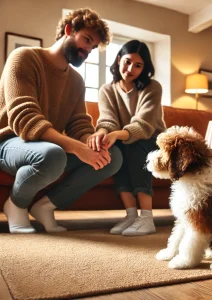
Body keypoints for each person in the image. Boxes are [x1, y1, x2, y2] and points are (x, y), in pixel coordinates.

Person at [0, 8, 122, 234]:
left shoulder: (76, 81)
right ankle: (16, 205)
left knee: (112, 157)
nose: (88, 50)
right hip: (9, 142)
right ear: (68, 30)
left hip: (46, 145)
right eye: (86, 39)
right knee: (53, 154)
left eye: (93, 47)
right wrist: (76, 147)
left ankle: (45, 206)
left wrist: (92, 141)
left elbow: (78, 124)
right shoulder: (24, 58)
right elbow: (24, 118)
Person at [87, 40, 166, 236]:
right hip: (123, 138)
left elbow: (144, 125)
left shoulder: (153, 87)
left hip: (152, 139)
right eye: (128, 62)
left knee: (134, 146)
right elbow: (107, 120)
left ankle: (147, 217)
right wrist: (102, 134)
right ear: (119, 59)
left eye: (138, 65)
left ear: (144, 68)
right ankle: (131, 215)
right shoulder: (107, 89)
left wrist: (116, 134)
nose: (131, 69)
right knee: (115, 151)